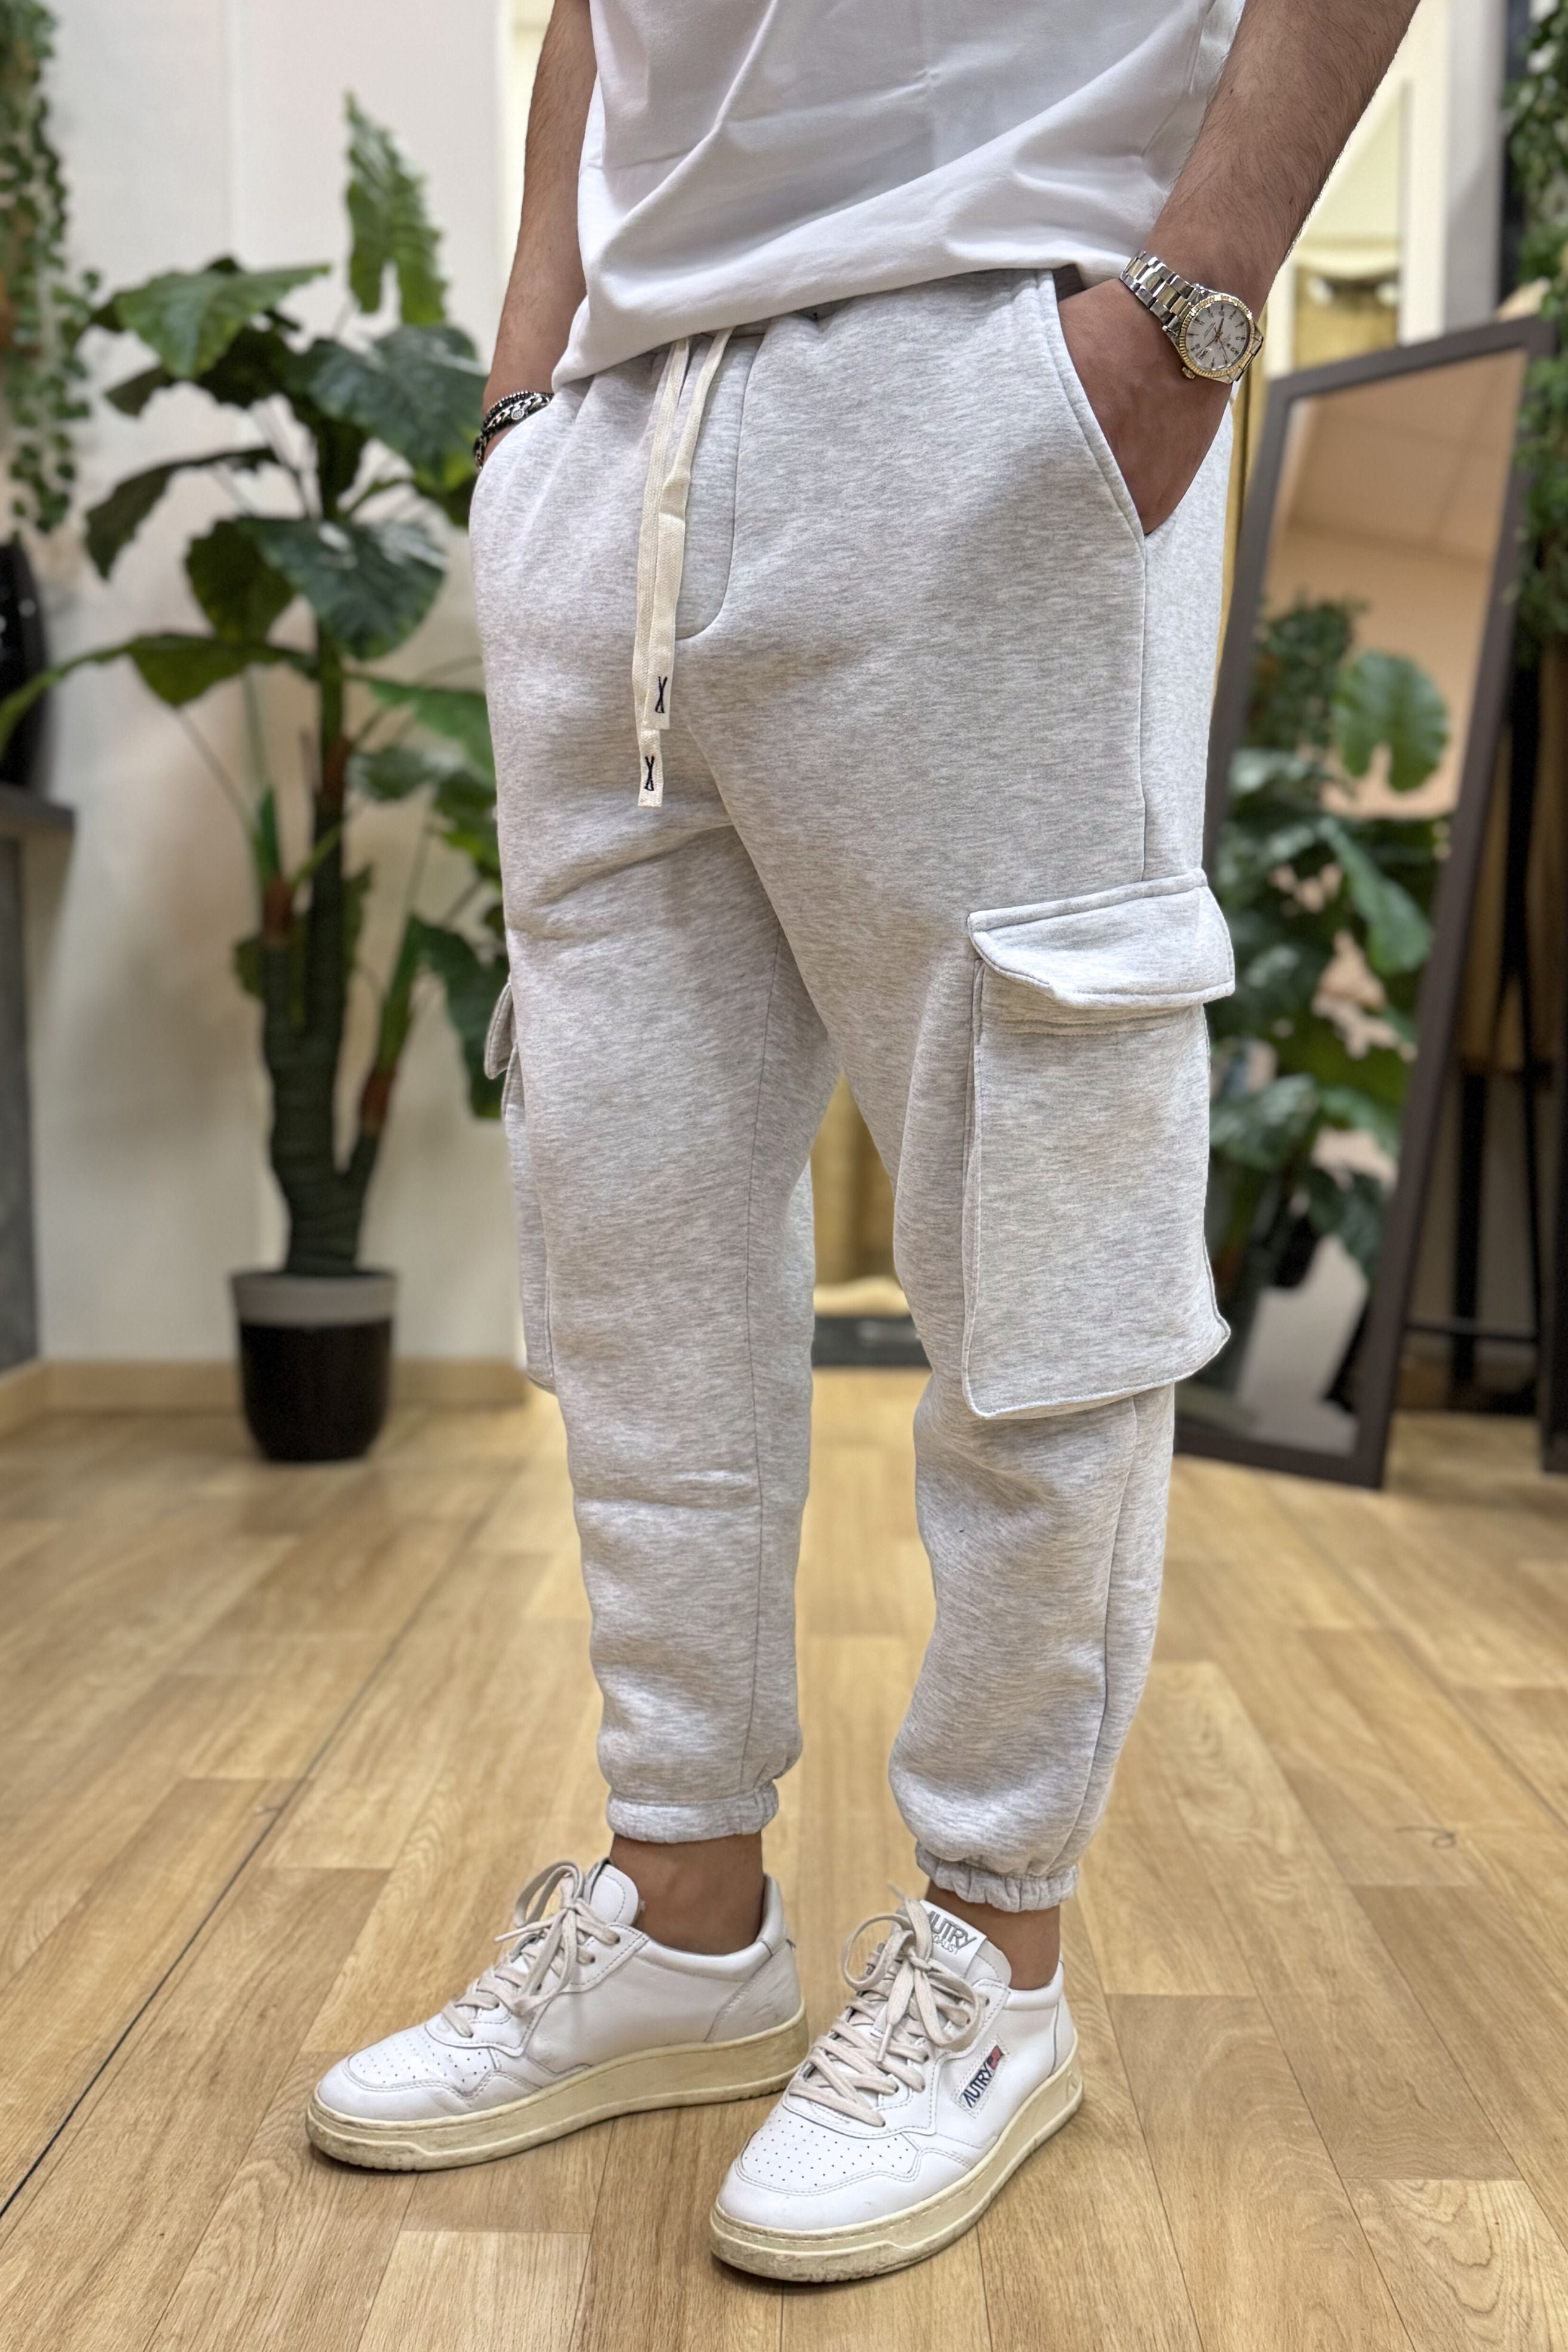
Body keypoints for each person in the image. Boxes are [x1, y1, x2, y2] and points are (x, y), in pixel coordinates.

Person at [308, 0, 1422, 2280]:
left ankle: (993, 1958)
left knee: (1041, 1207)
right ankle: (682, 1915)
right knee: (633, 1240)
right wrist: (526, 409)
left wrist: (1187, 320)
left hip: (994, 367)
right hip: (617, 444)